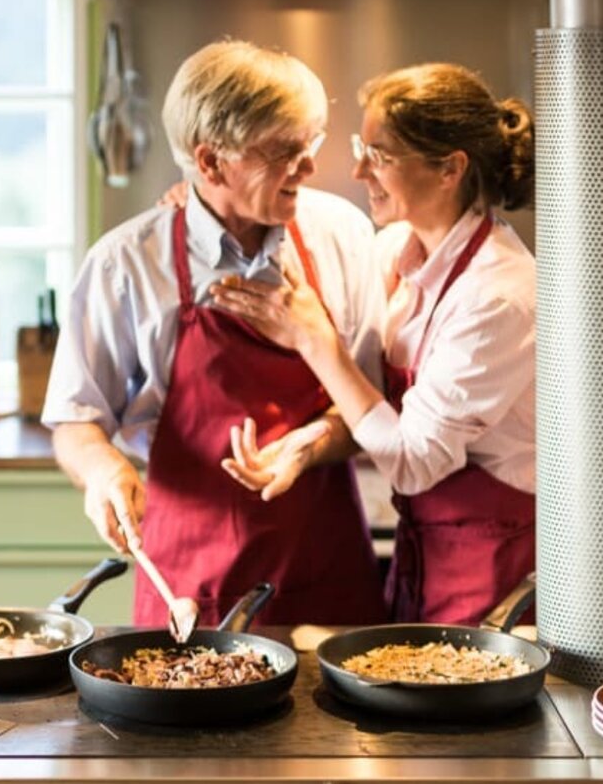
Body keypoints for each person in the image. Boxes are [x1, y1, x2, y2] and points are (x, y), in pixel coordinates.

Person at [42, 40, 389, 629]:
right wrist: (104, 472)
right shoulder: (124, 265)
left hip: (327, 581)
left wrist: (312, 442)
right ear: (210, 163)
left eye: (314, 141)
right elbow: (76, 420)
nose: (309, 165)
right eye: (285, 149)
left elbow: (370, 402)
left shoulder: (344, 236)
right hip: (186, 587)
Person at [212, 62, 535, 626]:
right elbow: (372, 400)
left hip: (493, 557)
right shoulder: (393, 252)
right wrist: (203, 192)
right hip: (427, 548)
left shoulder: (499, 295)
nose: (359, 169)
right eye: (364, 146)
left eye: (380, 156)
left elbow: (413, 460)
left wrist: (317, 344)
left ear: (449, 169)